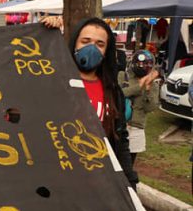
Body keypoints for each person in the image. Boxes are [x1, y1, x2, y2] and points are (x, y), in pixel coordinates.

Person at [43, 16, 157, 187]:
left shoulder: (111, 91)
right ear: (74, 44)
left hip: (95, 183)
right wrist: (43, 32)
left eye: (100, 44)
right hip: (55, 178)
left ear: (106, 51)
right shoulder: (53, 83)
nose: (92, 48)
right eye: (85, 41)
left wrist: (130, 181)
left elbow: (120, 139)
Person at [118, 50, 160, 169]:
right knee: (113, 161)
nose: (142, 67)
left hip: (136, 127)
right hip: (120, 125)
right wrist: (139, 86)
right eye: (140, 63)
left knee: (128, 165)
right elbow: (119, 94)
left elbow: (150, 107)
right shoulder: (123, 76)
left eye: (147, 64)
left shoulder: (153, 85)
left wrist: (147, 90)